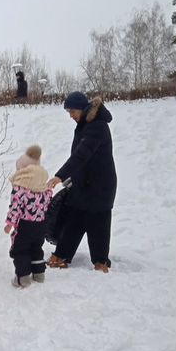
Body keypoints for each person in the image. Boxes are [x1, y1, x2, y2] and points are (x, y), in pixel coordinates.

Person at [47, 92, 117, 273]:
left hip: (100, 185)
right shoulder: (83, 125)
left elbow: (81, 155)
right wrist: (70, 178)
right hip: (82, 184)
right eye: (68, 112)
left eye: (72, 111)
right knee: (74, 219)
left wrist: (60, 176)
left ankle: (101, 261)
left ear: (82, 108)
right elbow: (78, 157)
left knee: (98, 222)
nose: (71, 116)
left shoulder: (98, 127)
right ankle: (62, 255)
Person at [4, 145, 53, 287]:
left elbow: (15, 207)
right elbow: (48, 201)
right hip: (40, 225)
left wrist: (10, 224)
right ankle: (39, 274)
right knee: (36, 248)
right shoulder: (44, 187)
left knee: (21, 250)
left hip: (25, 225)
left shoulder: (20, 189)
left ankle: (23, 277)